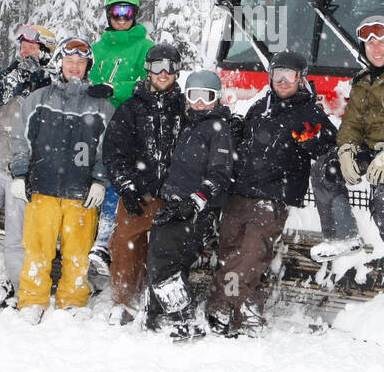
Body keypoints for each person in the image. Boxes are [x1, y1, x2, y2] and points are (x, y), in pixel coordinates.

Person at [207, 51, 336, 337]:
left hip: (273, 194)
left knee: (253, 254)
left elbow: (329, 147)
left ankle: (224, 304)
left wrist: (313, 142)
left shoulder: (309, 111)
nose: (283, 81)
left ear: (301, 79)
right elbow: (242, 139)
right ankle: (242, 307)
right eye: (278, 74)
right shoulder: (260, 105)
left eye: (290, 76)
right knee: (230, 250)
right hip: (239, 190)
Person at [309, 15, 384, 277]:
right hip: (371, 148)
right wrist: (345, 150)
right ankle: (343, 236)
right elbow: (351, 124)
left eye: (381, 42)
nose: (376, 50)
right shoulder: (363, 81)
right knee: (324, 170)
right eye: (369, 45)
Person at [7, 36, 115, 323]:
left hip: (82, 194)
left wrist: (99, 180)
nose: (75, 67)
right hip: (43, 188)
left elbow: (109, 148)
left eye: (81, 62)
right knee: (37, 248)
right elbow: (20, 139)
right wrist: (19, 173)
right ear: (60, 64)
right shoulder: (39, 98)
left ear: (88, 66)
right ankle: (32, 300)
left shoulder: (102, 106)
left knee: (78, 252)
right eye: (69, 61)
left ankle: (73, 301)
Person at [0, 23, 56, 309]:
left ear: (45, 52)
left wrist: (36, 79)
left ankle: (20, 293)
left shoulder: (50, 86)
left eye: (32, 46)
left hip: (24, 170)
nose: (26, 50)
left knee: (17, 238)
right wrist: (16, 76)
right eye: (23, 45)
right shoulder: (9, 75)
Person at [144, 69, 236, 340]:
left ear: (216, 99)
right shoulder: (190, 124)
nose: (199, 103)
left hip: (196, 210)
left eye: (206, 97)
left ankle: (183, 318)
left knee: (164, 258)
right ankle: (158, 310)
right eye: (194, 96)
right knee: (165, 256)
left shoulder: (217, 129)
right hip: (175, 202)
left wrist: (197, 201)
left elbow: (220, 172)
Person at [100, 43, 188, 325]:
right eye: (157, 67)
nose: (163, 73)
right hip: (141, 191)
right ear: (147, 70)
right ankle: (124, 300)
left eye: (170, 67)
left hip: (174, 194)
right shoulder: (132, 108)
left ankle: (161, 300)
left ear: (177, 71)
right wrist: (126, 186)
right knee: (125, 242)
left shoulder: (185, 109)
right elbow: (114, 151)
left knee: (168, 249)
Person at [86, 0, 156, 280]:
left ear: (135, 15)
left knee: (115, 176)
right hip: (95, 121)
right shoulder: (98, 48)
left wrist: (117, 89)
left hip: (127, 123)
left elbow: (150, 82)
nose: (122, 17)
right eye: (117, 11)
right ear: (108, 14)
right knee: (88, 179)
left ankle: (103, 243)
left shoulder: (144, 47)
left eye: (128, 12)